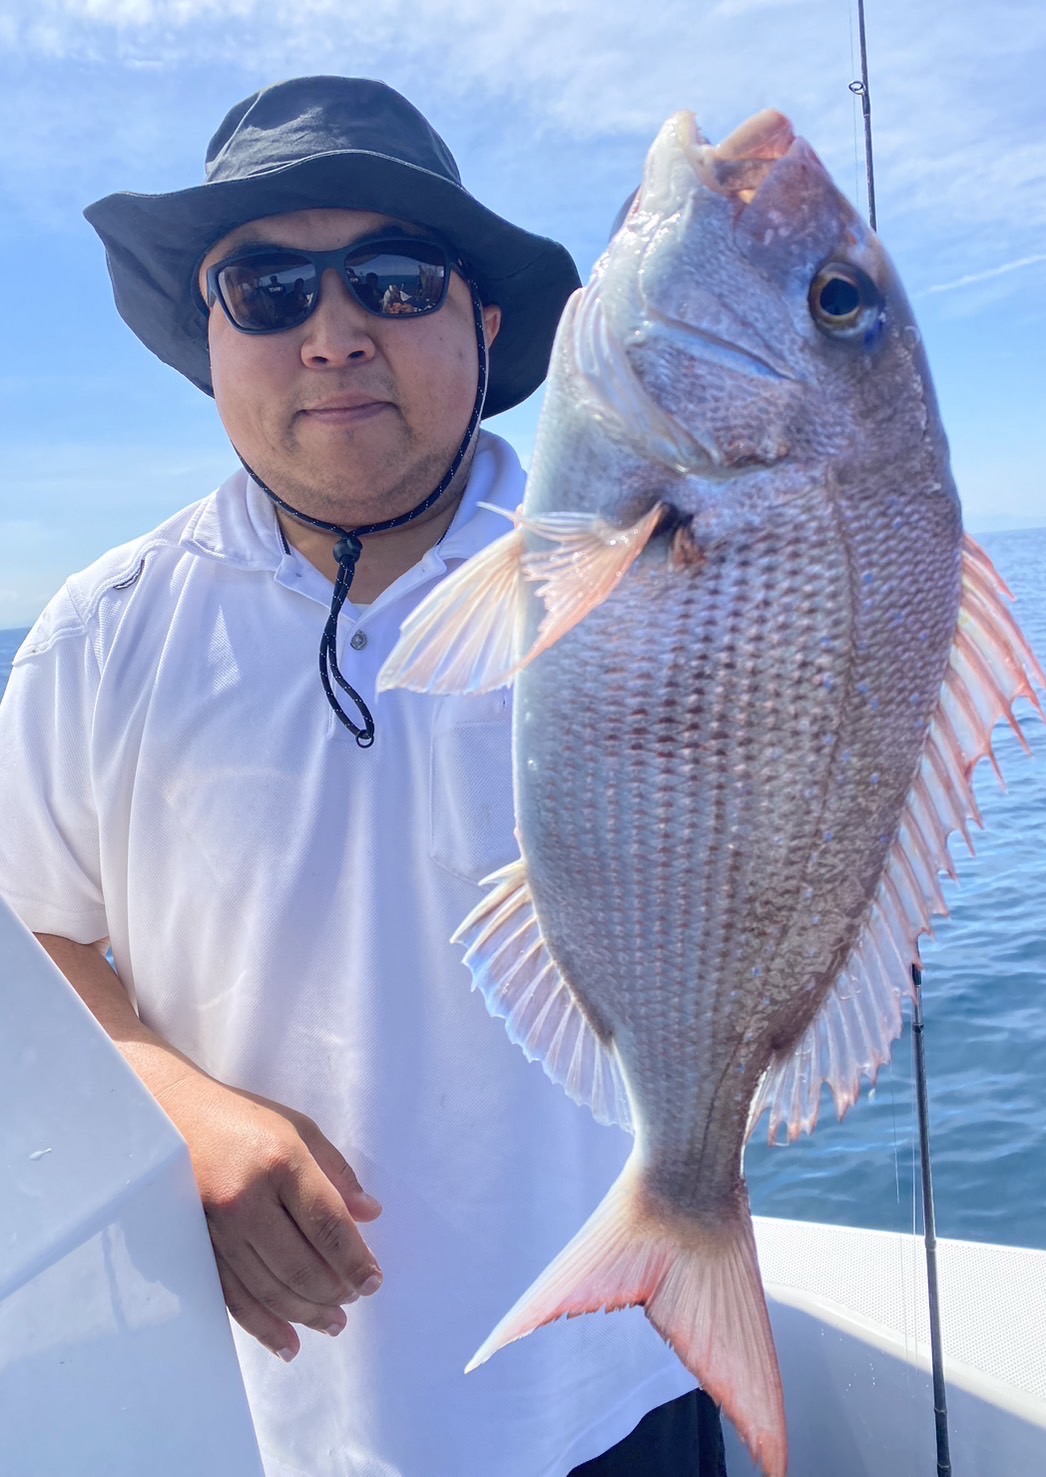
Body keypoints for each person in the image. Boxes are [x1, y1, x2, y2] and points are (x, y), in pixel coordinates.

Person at [0, 77, 727, 1476]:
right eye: (268, 289)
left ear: (486, 321)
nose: (332, 332)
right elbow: (29, 934)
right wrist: (174, 1105)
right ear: (211, 335)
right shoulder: (102, 633)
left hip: (620, 1375)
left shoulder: (655, 578)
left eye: (395, 280)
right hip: (263, 1415)